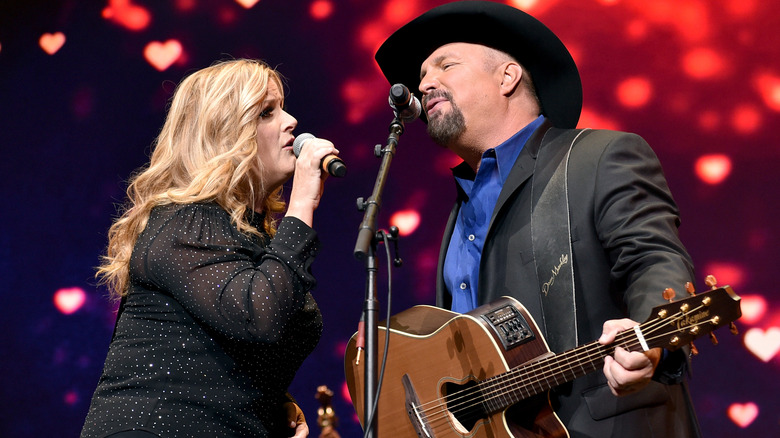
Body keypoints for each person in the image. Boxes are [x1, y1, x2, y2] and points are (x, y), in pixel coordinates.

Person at [374, 1, 700, 437]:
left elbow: (654, 260)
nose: (425, 83)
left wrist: (652, 340)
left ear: (507, 77)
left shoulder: (599, 158)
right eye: (421, 76)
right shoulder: (460, 213)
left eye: (445, 65)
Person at [81, 59, 338, 437]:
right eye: (267, 112)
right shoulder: (184, 221)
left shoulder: (249, 237)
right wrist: (302, 201)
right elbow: (258, 314)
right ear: (223, 135)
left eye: (282, 107)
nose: (291, 121)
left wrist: (269, 400)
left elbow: (217, 347)